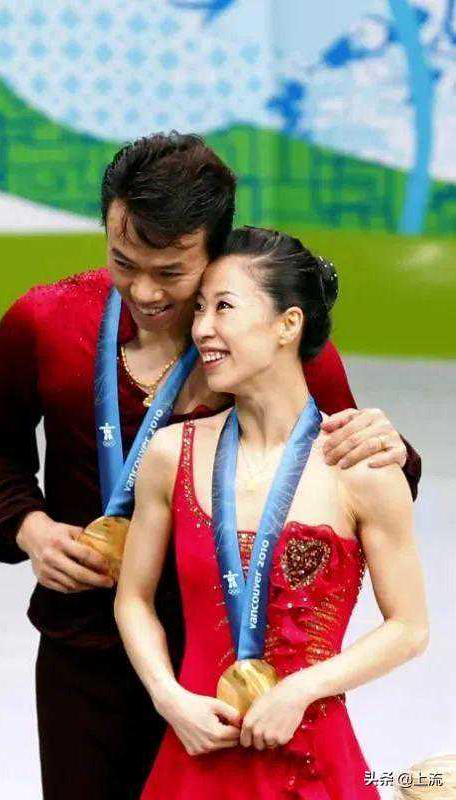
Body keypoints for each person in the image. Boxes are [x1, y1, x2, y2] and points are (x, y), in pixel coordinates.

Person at [0, 133, 421, 800]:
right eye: (123, 262)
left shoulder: (270, 345)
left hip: (233, 666)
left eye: (171, 272)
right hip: (90, 646)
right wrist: (31, 528)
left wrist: (385, 443)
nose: (143, 290)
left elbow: (346, 470)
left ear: (213, 251)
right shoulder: (47, 322)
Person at [114, 226, 429, 800]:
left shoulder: (361, 468)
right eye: (200, 308)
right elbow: (133, 598)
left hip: (311, 762)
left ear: (288, 325)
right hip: (195, 757)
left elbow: (408, 627)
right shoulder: (170, 454)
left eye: (224, 307)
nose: (201, 327)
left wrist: (300, 690)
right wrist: (169, 697)